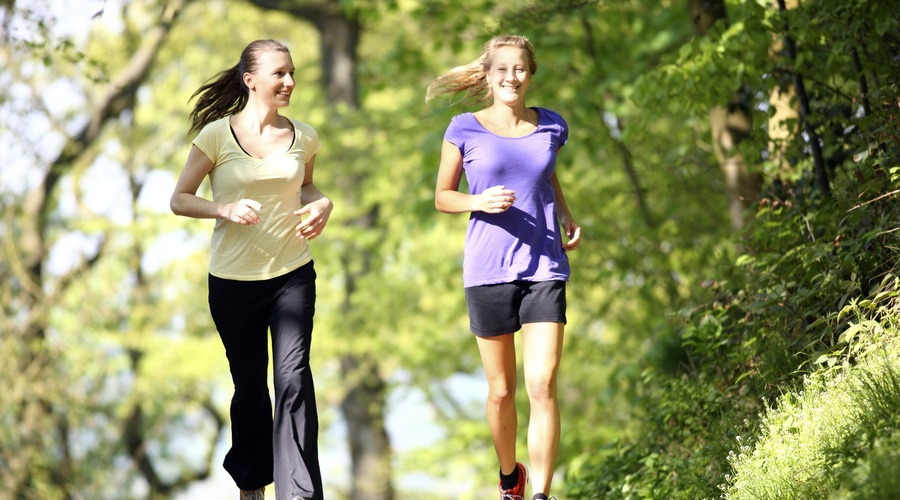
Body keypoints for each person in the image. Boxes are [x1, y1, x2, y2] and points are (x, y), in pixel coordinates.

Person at [170, 39, 332, 500]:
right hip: (233, 283)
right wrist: (222, 208)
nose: (290, 82)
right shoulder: (218, 136)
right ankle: (252, 484)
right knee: (250, 388)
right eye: (279, 74)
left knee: (294, 378)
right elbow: (180, 199)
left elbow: (307, 186)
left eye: (292, 73)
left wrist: (323, 203)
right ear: (250, 80)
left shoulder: (305, 135)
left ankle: (299, 492)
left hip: (292, 274)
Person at [427, 35, 581, 500]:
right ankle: (510, 476)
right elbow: (442, 196)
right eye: (502, 69)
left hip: (544, 265)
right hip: (488, 269)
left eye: (520, 69)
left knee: (543, 383)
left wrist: (566, 213)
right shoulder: (464, 128)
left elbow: (546, 171)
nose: (512, 77)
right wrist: (478, 199)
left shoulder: (551, 125)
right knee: (500, 392)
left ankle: (540, 494)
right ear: (488, 76)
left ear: (530, 73)